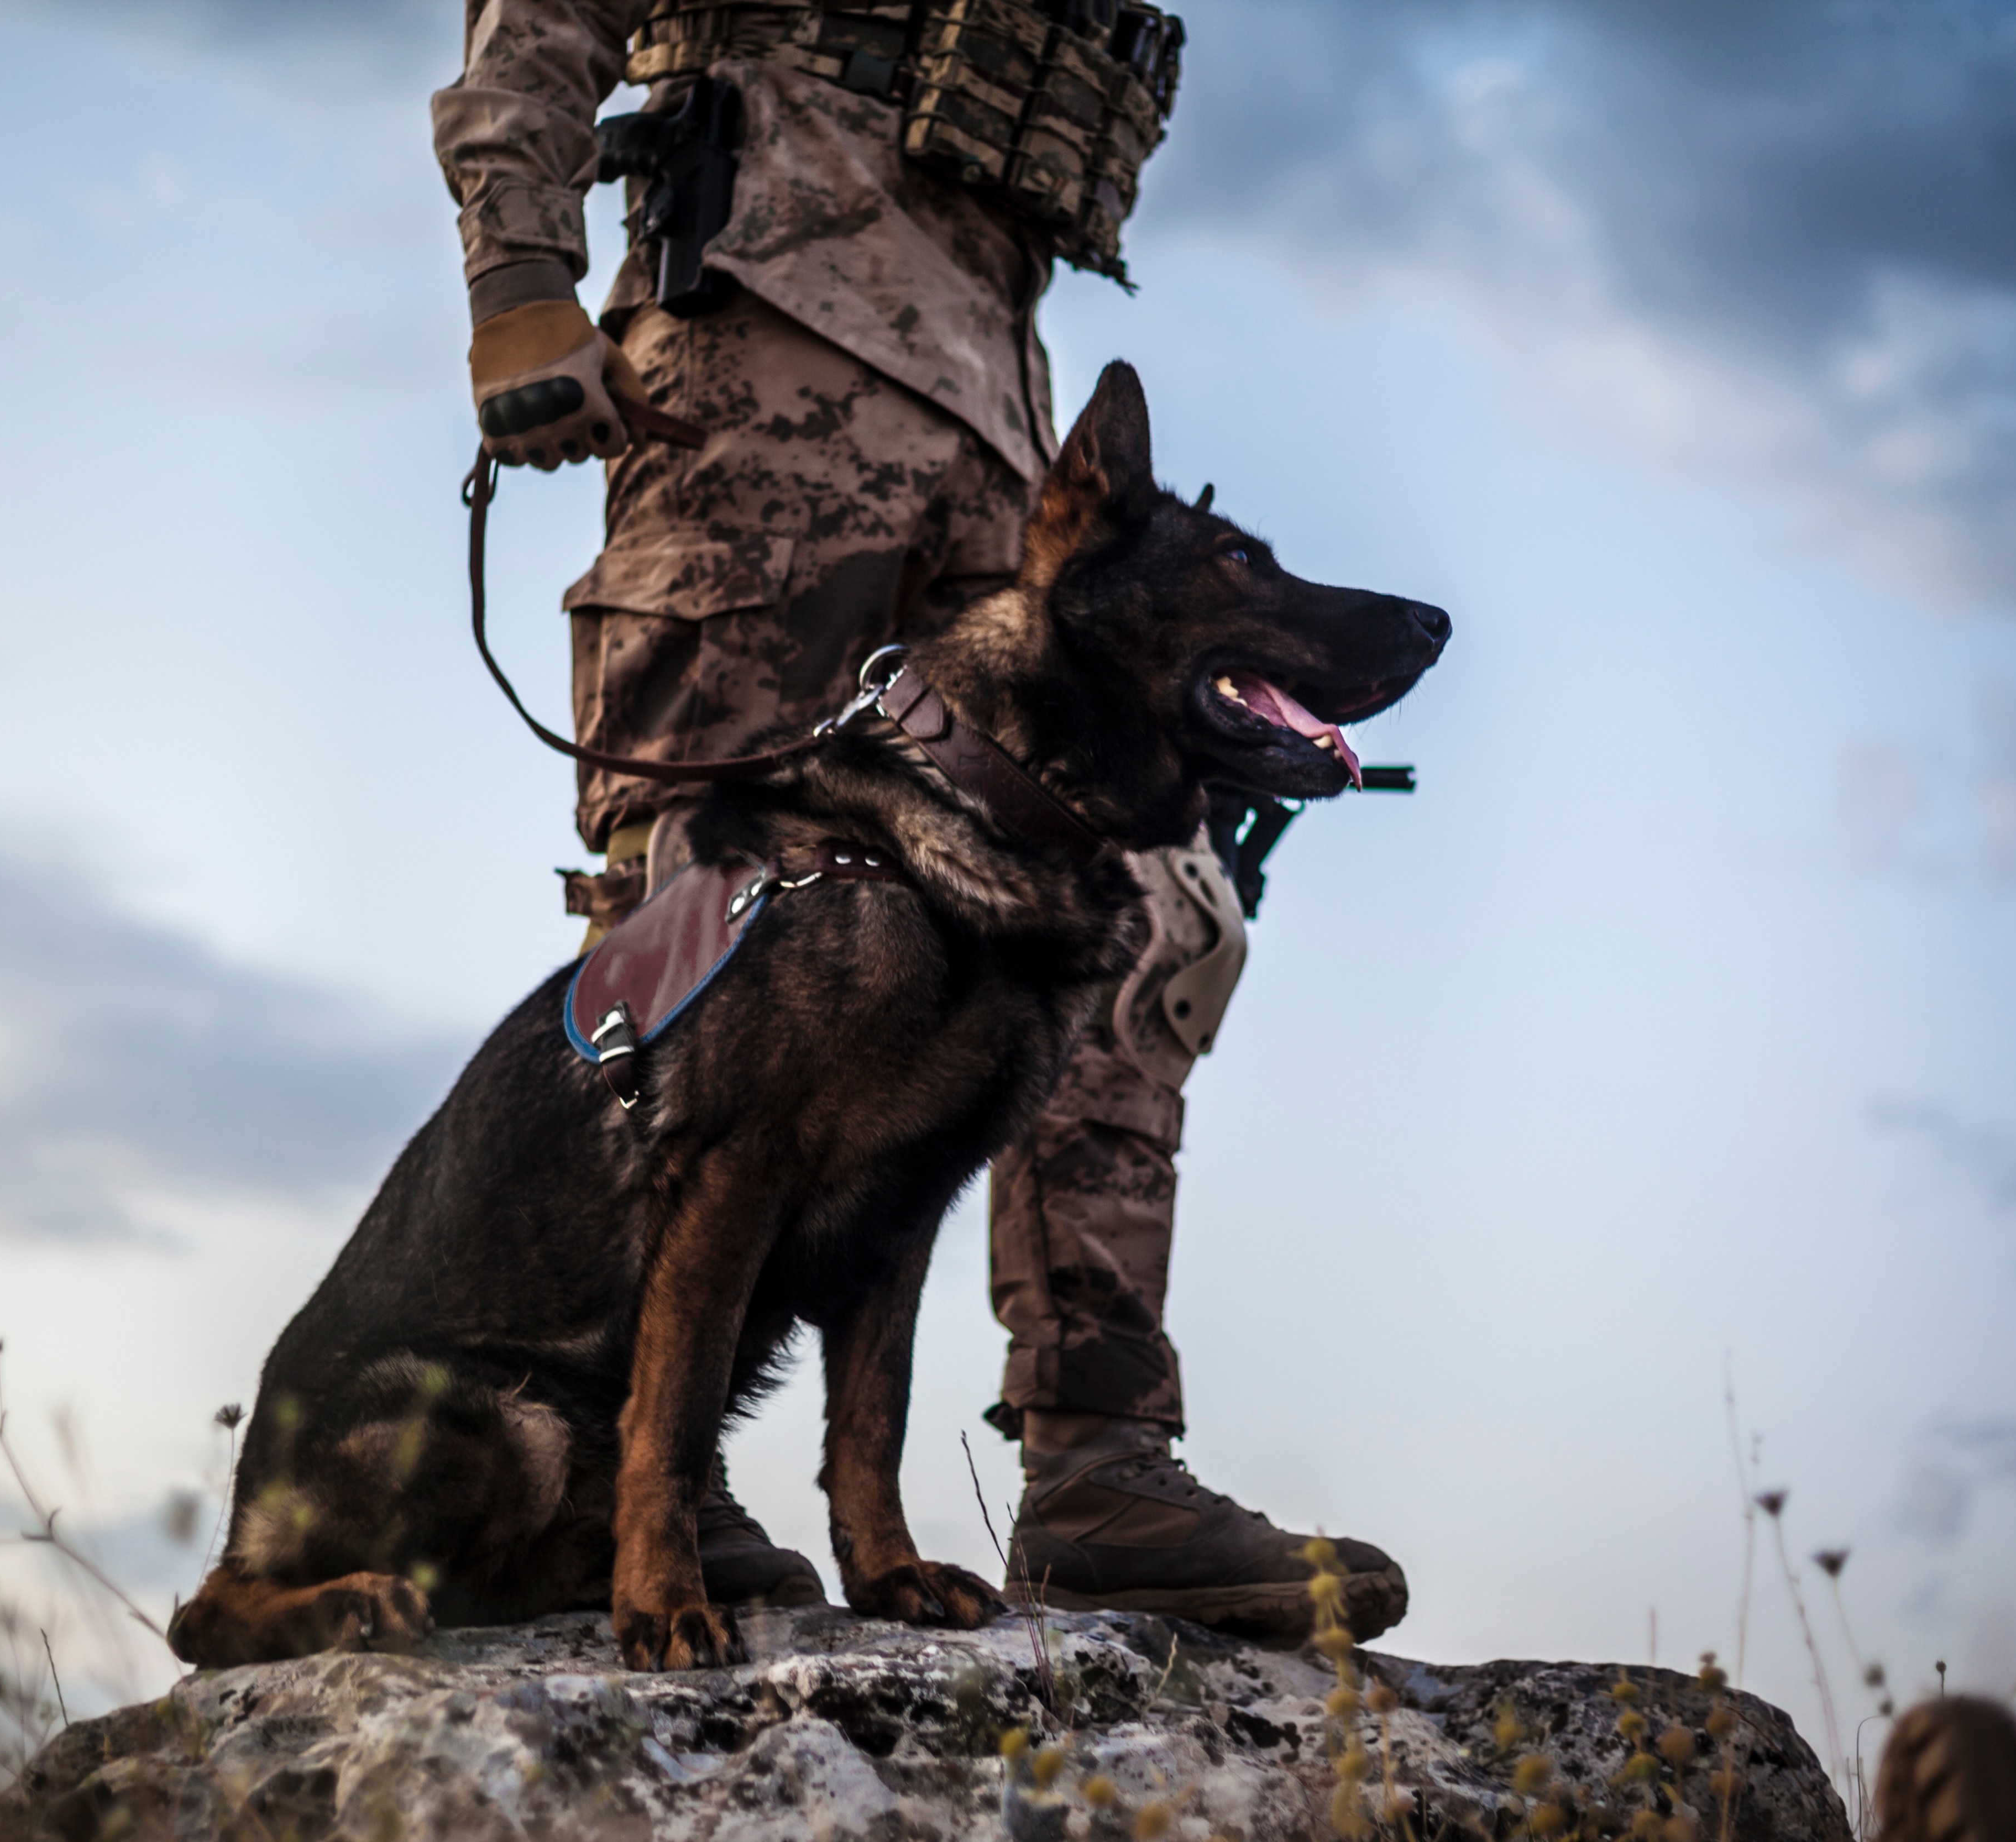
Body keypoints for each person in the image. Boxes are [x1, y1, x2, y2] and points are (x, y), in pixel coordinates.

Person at [432, 0, 1407, 1641]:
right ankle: (631, 1470)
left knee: (1150, 915)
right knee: (702, 913)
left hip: (1003, 411)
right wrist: (519, 275)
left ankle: (1098, 1459)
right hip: (761, 333)